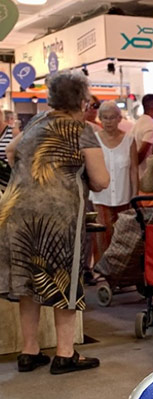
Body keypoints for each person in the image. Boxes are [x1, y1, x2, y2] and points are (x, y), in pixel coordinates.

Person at [0, 70, 109, 374]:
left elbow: (10, 150)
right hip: (58, 215)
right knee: (64, 278)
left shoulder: (36, 122)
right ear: (82, 101)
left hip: (16, 210)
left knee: (29, 279)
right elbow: (101, 180)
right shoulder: (81, 130)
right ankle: (65, 354)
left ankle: (29, 351)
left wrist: (31, 177)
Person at [89, 101, 138, 263]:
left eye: (112, 117)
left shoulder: (129, 140)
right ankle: (101, 270)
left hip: (124, 197)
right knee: (101, 237)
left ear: (119, 119)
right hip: (100, 197)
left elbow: (133, 169)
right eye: (105, 118)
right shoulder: (94, 140)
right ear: (100, 119)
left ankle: (120, 271)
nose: (108, 121)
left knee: (123, 238)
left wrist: (135, 195)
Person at [131, 93, 153, 180]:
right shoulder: (150, 127)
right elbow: (142, 153)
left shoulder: (138, 123)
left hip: (137, 173)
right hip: (144, 174)